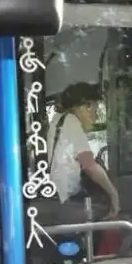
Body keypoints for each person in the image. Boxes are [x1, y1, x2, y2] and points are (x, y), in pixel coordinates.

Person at [46, 82, 121, 217]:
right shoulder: (72, 122)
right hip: (67, 201)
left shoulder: (59, 120)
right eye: (95, 109)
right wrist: (114, 194)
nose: (96, 116)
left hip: (56, 197)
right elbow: (89, 165)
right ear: (84, 107)